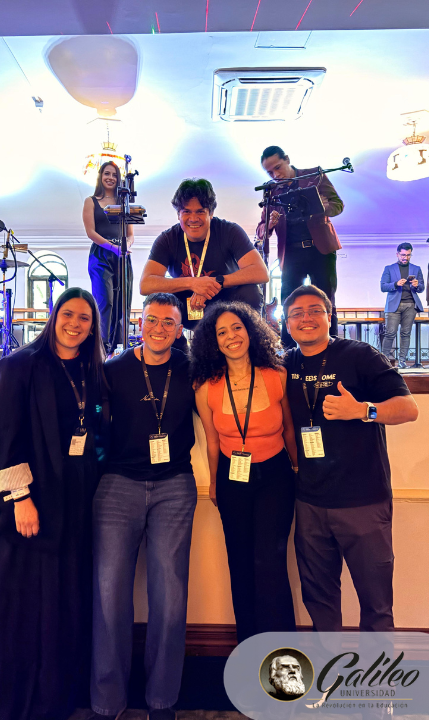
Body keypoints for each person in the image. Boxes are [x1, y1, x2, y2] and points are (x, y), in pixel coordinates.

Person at [0, 287, 106, 720]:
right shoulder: (19, 365)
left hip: (73, 503)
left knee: (62, 600)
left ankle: (56, 693)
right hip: (29, 502)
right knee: (25, 604)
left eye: (84, 318)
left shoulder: (90, 369)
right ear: (53, 316)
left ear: (93, 327)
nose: (75, 324)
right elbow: (5, 441)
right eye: (68, 315)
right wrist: (22, 500)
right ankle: (21, 698)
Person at [283, 284, 419, 632]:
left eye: (315, 310)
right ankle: (329, 664)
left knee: (376, 603)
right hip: (309, 502)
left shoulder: (360, 355)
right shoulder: (285, 364)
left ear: (329, 316)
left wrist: (363, 410)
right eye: (297, 313)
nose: (306, 318)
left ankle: (377, 666)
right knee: (320, 601)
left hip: (364, 502)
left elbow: (408, 409)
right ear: (287, 323)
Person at [91, 292, 197, 720]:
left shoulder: (191, 369)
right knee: (109, 595)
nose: (159, 329)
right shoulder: (113, 370)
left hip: (175, 487)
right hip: (117, 486)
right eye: (152, 320)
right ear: (140, 322)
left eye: (169, 322)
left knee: (170, 597)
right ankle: (107, 701)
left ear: (179, 329)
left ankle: (162, 700)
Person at [191, 301, 298, 643]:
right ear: (213, 341)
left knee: (270, 563)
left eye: (237, 327)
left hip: (275, 477)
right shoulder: (205, 387)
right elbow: (211, 441)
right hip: (231, 479)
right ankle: (249, 648)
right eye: (221, 332)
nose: (231, 336)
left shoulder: (277, 374)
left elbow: (289, 430)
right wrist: (213, 483)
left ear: (250, 331)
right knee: (240, 563)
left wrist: (297, 467)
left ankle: (281, 652)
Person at [140, 178, 268, 330]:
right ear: (178, 214)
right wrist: (193, 283)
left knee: (251, 292)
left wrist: (214, 283)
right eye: (186, 211)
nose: (193, 219)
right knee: (156, 298)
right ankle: (174, 344)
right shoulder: (167, 239)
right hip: (187, 305)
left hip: (226, 302)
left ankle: (246, 342)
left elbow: (261, 272)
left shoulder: (229, 231)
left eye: (200, 211)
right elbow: (146, 285)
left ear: (211, 213)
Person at [256, 146, 344, 347]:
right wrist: (269, 224)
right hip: (291, 253)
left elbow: (338, 205)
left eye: (278, 167)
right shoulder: (271, 191)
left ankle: (332, 347)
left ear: (287, 159)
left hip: (321, 250)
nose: (275, 175)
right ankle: (288, 350)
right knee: (288, 300)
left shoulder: (315, 176)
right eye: (269, 173)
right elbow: (260, 231)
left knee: (327, 299)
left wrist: (324, 207)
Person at [83, 161, 134, 353]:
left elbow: (130, 235)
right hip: (101, 255)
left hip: (122, 256)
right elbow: (91, 232)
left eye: (114, 174)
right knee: (105, 302)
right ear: (100, 176)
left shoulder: (124, 203)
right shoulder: (90, 201)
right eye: (107, 173)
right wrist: (113, 247)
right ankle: (101, 348)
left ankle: (120, 348)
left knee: (123, 303)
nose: (110, 178)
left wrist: (125, 247)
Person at [380, 242, 424, 368]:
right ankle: (383, 361)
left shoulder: (416, 268)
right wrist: (395, 284)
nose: (405, 258)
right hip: (394, 305)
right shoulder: (389, 268)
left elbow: (422, 288)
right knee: (390, 333)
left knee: (406, 333)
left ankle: (402, 361)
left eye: (408, 255)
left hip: (410, 305)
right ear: (397, 254)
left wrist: (417, 285)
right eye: (403, 255)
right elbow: (383, 286)